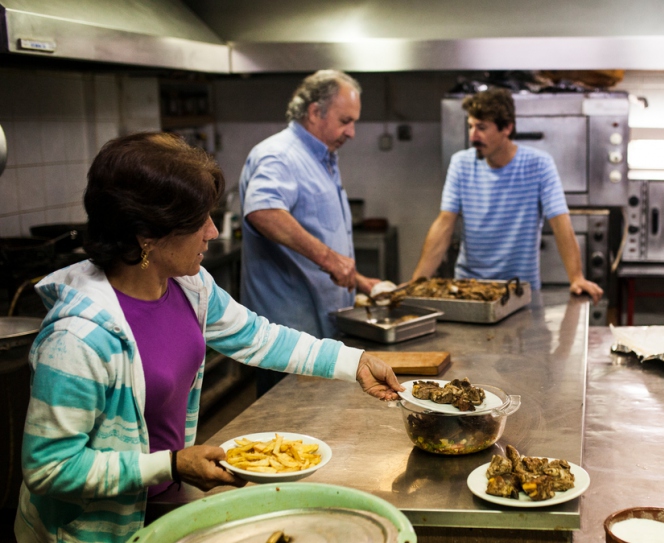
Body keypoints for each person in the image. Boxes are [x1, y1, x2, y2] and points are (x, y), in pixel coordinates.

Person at [15, 133, 404, 543]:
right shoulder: (79, 338)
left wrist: (354, 362)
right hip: (91, 531)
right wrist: (171, 464)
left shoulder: (189, 285)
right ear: (147, 233)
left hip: (162, 506)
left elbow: (257, 336)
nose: (214, 232)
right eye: (200, 220)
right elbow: (49, 468)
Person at [239, 70, 379, 396]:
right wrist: (330, 259)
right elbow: (263, 211)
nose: (352, 132)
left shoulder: (323, 158)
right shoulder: (281, 155)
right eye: (346, 120)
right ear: (315, 112)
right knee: (287, 433)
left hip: (321, 332)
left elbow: (316, 234)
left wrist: (360, 281)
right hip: (289, 336)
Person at [411, 88, 603, 303]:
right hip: (469, 291)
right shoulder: (461, 164)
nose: (473, 135)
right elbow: (445, 225)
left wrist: (576, 277)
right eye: (471, 126)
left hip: (518, 291)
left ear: (507, 128)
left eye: (481, 128)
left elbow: (560, 222)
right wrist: (418, 282)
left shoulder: (538, 164)